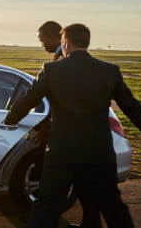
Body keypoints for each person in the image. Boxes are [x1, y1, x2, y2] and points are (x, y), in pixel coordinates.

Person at [1, 23, 141, 228]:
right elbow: (132, 108)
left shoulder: (51, 70)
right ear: (86, 43)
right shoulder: (109, 71)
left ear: (66, 43)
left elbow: (27, 100)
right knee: (112, 204)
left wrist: (9, 120)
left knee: (48, 204)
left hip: (62, 151)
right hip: (98, 151)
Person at [38, 21, 101, 228]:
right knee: (85, 188)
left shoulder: (63, 61)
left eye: (43, 39)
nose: (42, 44)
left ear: (56, 38)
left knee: (56, 187)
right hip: (83, 139)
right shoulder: (60, 59)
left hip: (68, 137)